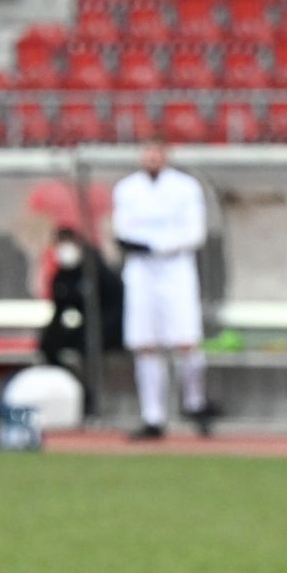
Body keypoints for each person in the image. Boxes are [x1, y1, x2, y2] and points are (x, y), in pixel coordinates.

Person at [112, 138, 213, 440]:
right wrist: (138, 245)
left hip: (175, 270)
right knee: (145, 344)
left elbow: (194, 233)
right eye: (147, 151)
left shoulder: (186, 187)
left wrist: (156, 245)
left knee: (186, 341)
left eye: (158, 151)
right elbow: (122, 229)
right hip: (141, 272)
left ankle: (195, 403)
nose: (152, 156)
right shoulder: (127, 188)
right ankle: (152, 416)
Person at [37, 226, 122, 392]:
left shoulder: (94, 269)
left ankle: (91, 393)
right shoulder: (63, 275)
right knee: (50, 344)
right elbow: (61, 308)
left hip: (107, 325)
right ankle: (68, 387)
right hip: (84, 326)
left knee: (87, 343)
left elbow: (113, 303)